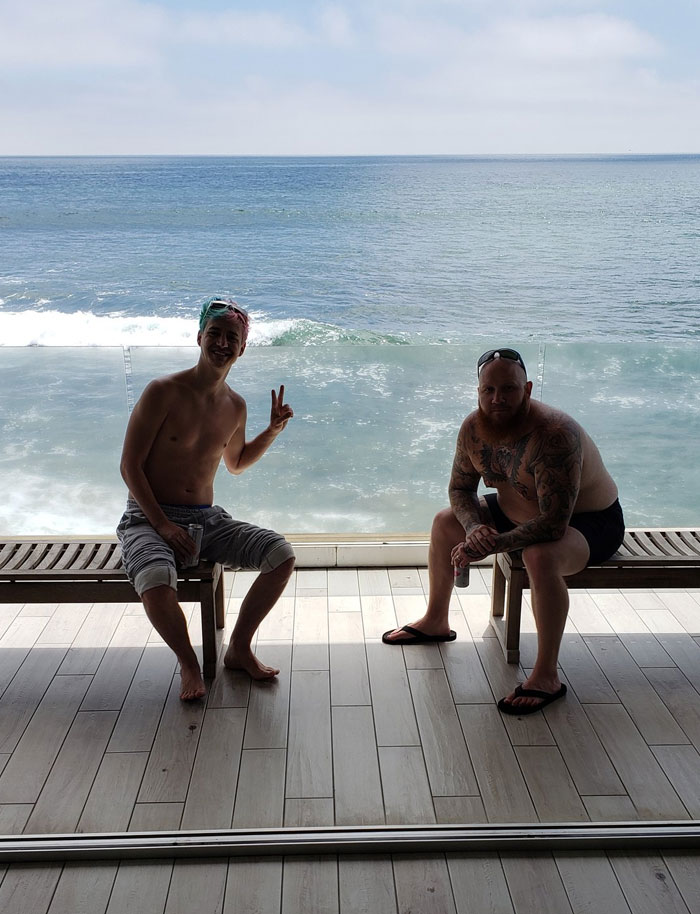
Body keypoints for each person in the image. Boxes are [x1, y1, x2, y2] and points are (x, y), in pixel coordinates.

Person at [383, 347, 624, 715]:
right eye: (488, 390)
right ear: (478, 391)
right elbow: (461, 489)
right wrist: (475, 527)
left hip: (587, 522)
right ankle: (435, 620)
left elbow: (553, 523)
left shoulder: (555, 434)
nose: (498, 399)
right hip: (516, 511)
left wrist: (491, 544)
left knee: (538, 554)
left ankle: (546, 674)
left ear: (526, 389)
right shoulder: (473, 429)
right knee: (445, 522)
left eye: (508, 389)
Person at [117, 296, 295, 700]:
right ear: (199, 337)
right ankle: (188, 664)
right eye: (214, 333)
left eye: (231, 337)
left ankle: (239, 648)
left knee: (280, 555)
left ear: (242, 348)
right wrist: (162, 524)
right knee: (157, 580)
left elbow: (236, 462)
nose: (221, 343)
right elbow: (130, 466)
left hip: (207, 519)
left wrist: (271, 431)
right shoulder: (163, 391)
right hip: (148, 518)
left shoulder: (235, 405)